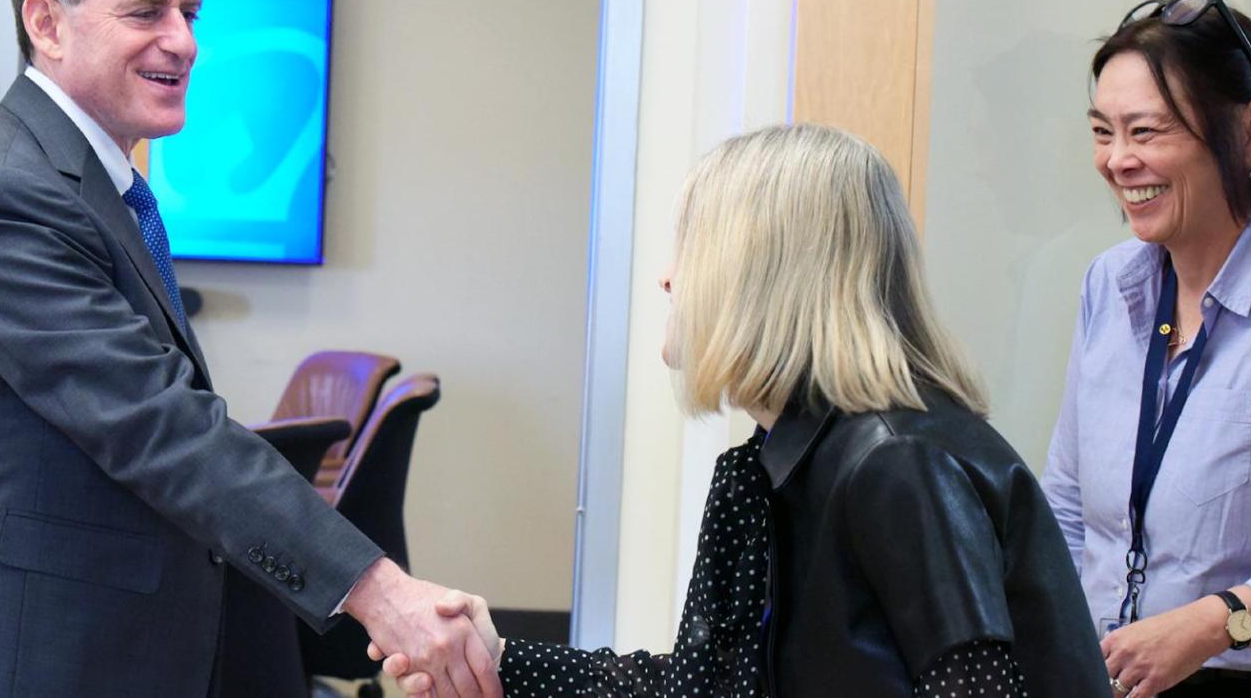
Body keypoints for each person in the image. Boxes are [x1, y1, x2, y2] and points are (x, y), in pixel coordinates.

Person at [0, 0, 500, 698]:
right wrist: (379, 591)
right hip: (18, 657)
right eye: (148, 12)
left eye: (191, 14)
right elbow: (159, 426)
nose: (183, 41)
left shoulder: (91, 182)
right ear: (46, 23)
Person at [379, 125, 1108, 696]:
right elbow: (704, 688)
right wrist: (499, 659)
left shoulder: (898, 463)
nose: (667, 275)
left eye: (691, 246)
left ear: (766, 275)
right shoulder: (780, 463)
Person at [1042, 0, 1251, 698]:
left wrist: (1217, 623)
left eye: (1146, 132)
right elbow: (1065, 502)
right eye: (1102, 132)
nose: (1118, 161)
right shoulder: (1108, 284)